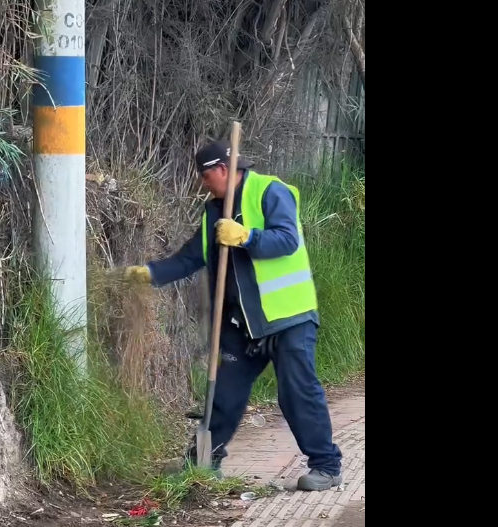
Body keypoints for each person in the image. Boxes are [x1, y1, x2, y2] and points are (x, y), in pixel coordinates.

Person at [120, 140, 343, 491]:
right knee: (222, 393)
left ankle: (326, 466)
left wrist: (246, 237)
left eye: (205, 175)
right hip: (242, 326)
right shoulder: (214, 212)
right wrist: (149, 273)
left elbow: (287, 240)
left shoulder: (270, 191)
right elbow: (190, 258)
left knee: (297, 393)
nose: (202, 183)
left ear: (223, 170)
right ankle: (203, 465)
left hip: (288, 319)